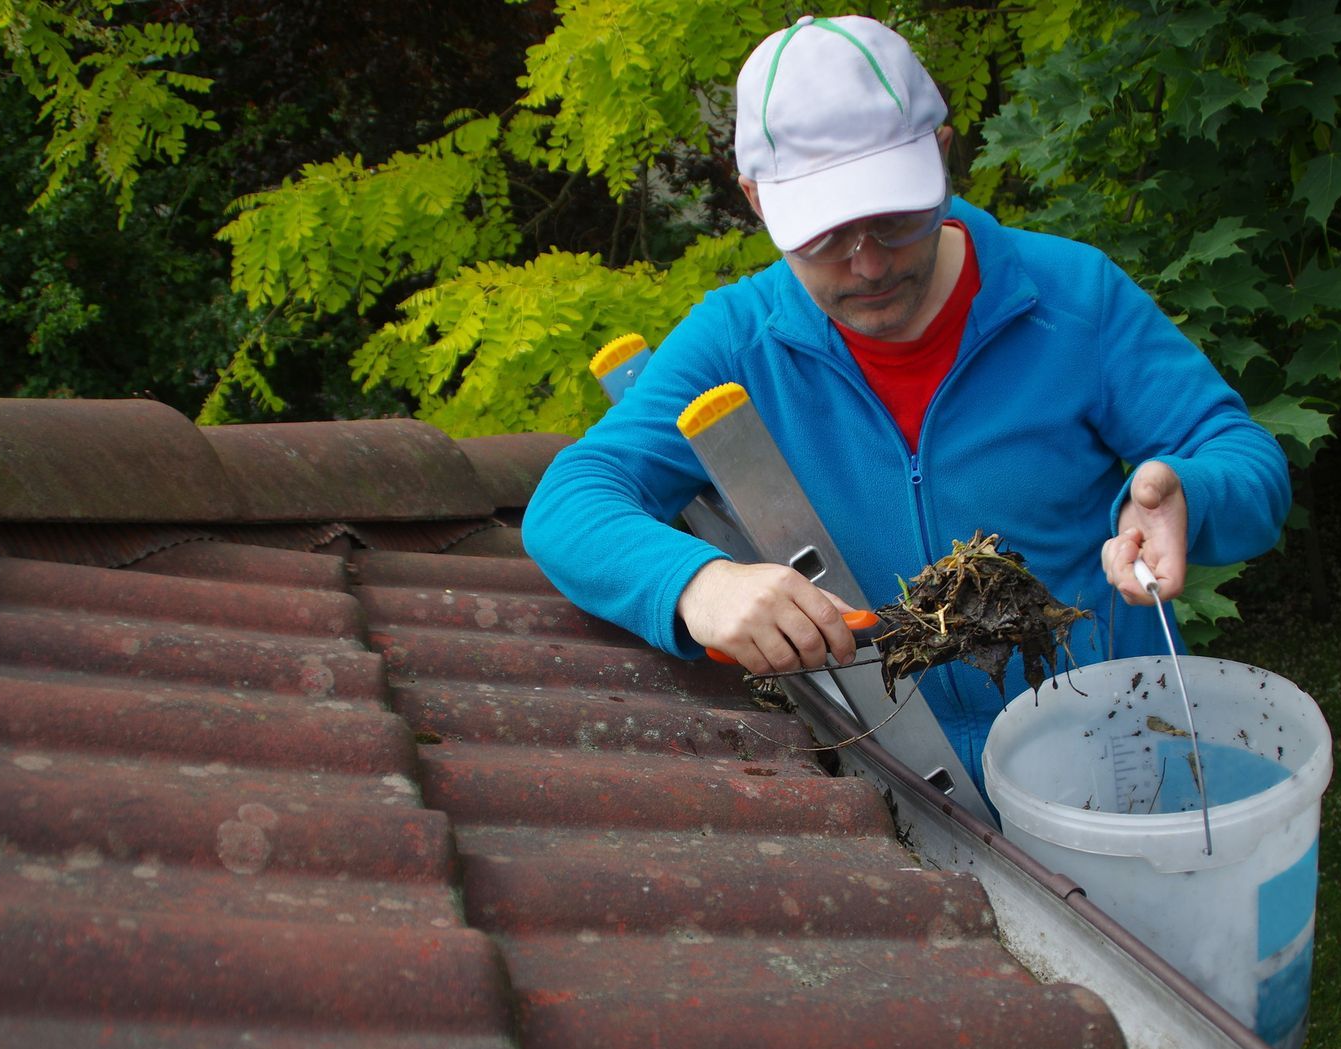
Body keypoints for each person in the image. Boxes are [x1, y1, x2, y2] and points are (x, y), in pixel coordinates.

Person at [523, 14, 1290, 785]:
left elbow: (1247, 460)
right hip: (907, 781)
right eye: (823, 235)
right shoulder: (735, 344)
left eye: (895, 217)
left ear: (942, 155)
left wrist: (1190, 493)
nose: (867, 264)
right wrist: (697, 583)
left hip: (1119, 744)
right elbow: (572, 500)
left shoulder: (1072, 298)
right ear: (756, 202)